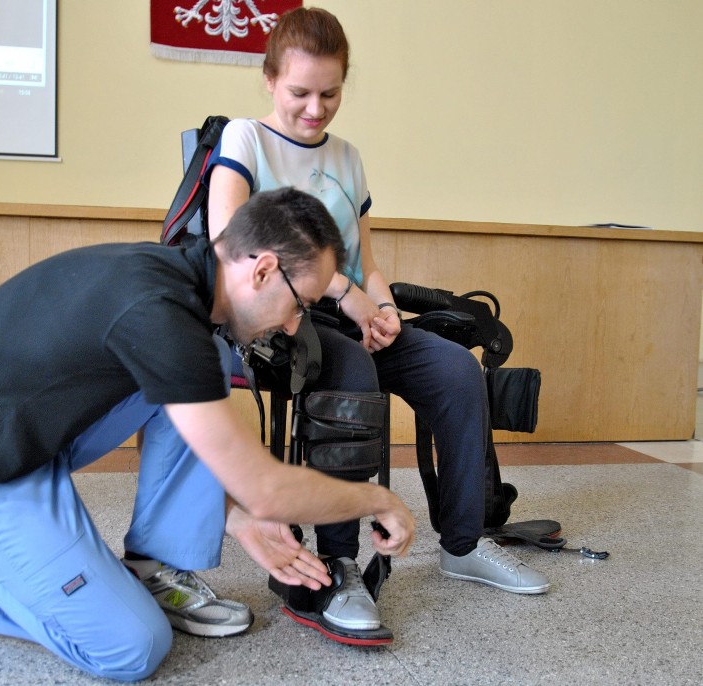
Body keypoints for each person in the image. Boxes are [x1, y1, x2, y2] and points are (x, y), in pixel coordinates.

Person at [0, 187, 416, 682]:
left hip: (22, 434)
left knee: (201, 366)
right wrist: (379, 498)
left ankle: (151, 565)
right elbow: (267, 488)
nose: (297, 325)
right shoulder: (159, 313)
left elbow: (233, 470)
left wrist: (239, 517)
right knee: (133, 647)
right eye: (302, 305)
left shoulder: (176, 284)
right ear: (263, 271)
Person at [206, 7, 549, 640]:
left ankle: (464, 542)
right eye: (299, 92)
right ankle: (337, 561)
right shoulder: (244, 141)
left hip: (349, 313)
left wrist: (383, 308)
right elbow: (231, 246)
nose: (315, 108)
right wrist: (340, 291)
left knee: (453, 370)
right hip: (279, 320)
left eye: (330, 93)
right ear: (268, 79)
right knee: (349, 367)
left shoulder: (347, 156)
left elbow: (370, 265)